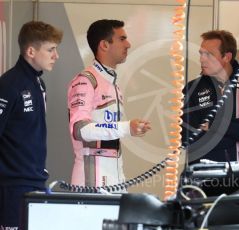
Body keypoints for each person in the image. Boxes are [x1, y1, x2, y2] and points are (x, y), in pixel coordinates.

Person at [67, 19, 151, 188]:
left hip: (115, 174)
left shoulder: (112, 83)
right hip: (91, 179)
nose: (128, 44)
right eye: (122, 39)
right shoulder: (85, 81)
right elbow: (79, 129)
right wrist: (127, 128)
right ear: (104, 45)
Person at [181, 30, 239, 197]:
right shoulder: (192, 89)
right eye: (201, 53)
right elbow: (190, 139)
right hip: (204, 180)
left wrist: (212, 126)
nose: (202, 59)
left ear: (226, 57)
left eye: (209, 54)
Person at [0, 21, 63, 229]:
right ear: (31, 51)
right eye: (50, 50)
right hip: (11, 186)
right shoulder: (9, 84)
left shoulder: (38, 83)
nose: (56, 56)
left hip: (35, 182)